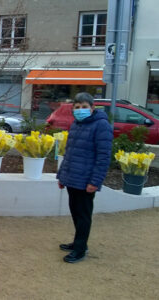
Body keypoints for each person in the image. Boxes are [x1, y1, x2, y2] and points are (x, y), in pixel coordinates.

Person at [57, 92, 113, 263]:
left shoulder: (101, 125)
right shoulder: (76, 124)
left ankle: (80, 249)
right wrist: (62, 176)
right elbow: (70, 153)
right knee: (75, 211)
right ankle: (78, 242)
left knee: (83, 215)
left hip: (86, 180)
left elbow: (103, 156)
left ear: (92, 108)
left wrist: (95, 181)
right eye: (77, 107)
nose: (80, 110)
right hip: (72, 178)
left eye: (84, 107)